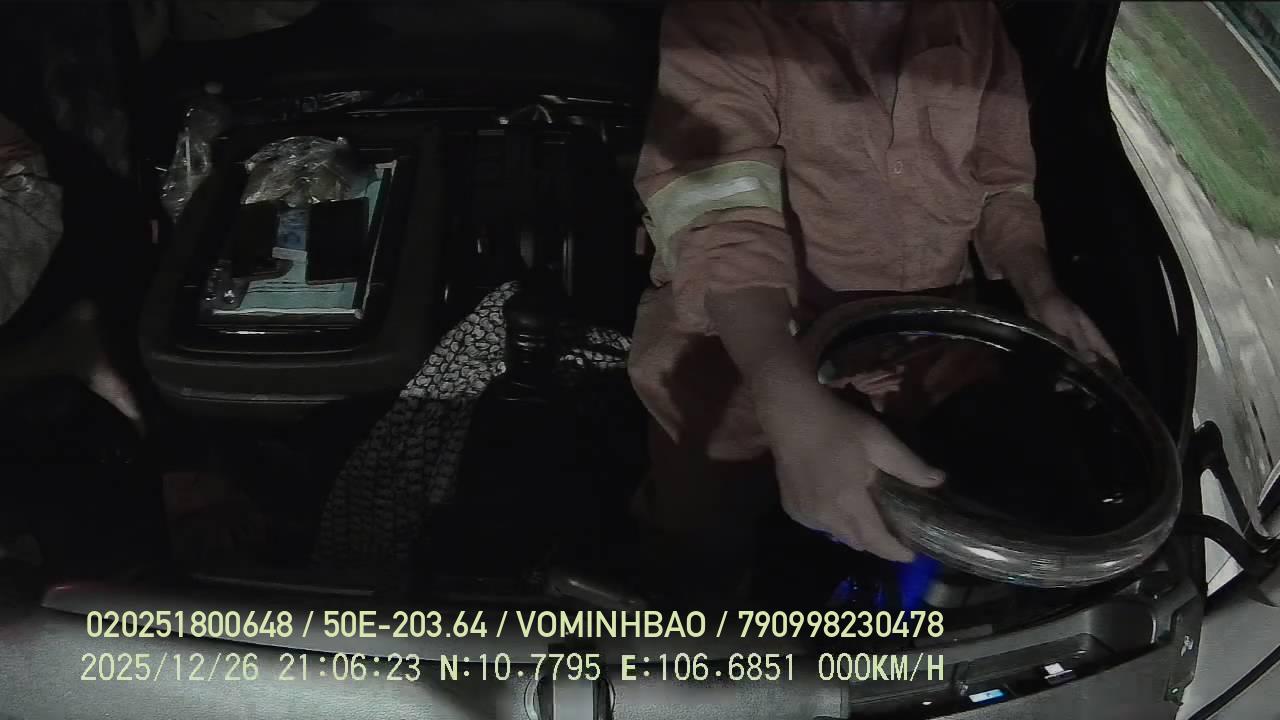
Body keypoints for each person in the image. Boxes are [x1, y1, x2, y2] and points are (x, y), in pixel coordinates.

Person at [627, 1, 1117, 576]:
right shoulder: (724, 17)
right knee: (701, 541)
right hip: (749, 345)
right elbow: (723, 222)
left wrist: (1040, 293)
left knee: (1002, 520)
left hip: (932, 338)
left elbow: (1002, 187)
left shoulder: (973, 18)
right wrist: (786, 397)